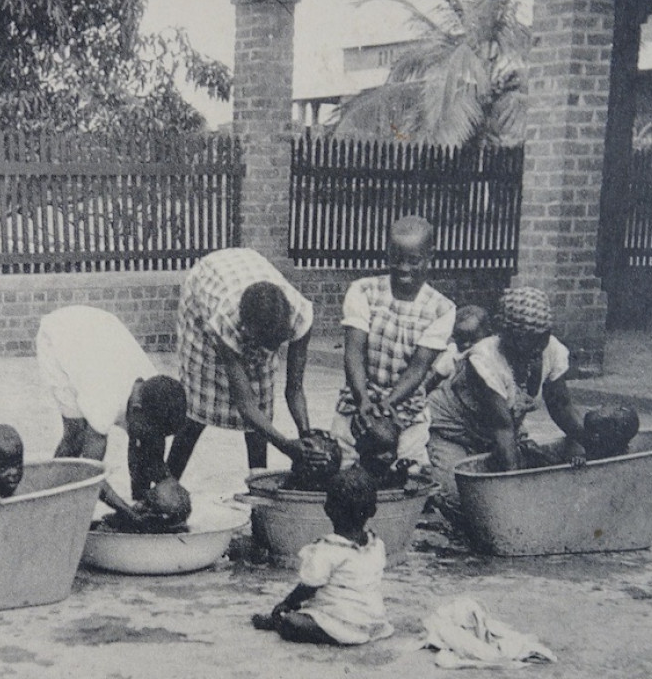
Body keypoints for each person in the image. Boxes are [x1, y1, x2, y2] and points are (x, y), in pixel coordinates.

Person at [423, 286, 587, 520]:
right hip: (452, 434)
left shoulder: (551, 349)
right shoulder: (484, 359)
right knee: (463, 501)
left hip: (501, 436)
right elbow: (502, 427)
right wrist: (515, 495)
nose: (537, 347)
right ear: (506, 335)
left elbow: (562, 408)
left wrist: (596, 446)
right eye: (526, 340)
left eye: (542, 337)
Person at [167, 247, 329, 478]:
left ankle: (257, 485)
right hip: (205, 286)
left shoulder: (299, 316)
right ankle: (167, 486)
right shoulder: (226, 320)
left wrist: (306, 436)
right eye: (263, 342)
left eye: (276, 341)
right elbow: (245, 404)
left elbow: (294, 388)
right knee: (195, 408)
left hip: (243, 274)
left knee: (262, 401)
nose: (269, 351)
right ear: (246, 329)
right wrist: (285, 445)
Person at [34, 305, 189, 526]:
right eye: (151, 432)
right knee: (75, 436)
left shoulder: (154, 391)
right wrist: (126, 511)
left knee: (145, 440)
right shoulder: (104, 403)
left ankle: (137, 498)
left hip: (99, 330)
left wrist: (163, 491)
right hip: (60, 334)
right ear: (135, 409)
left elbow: (148, 453)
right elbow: (89, 473)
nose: (153, 439)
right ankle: (45, 504)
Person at [331, 216, 457, 475]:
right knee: (342, 469)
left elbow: (418, 368)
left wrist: (388, 405)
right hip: (358, 398)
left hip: (407, 405)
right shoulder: (363, 291)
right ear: (388, 253)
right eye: (397, 259)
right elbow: (354, 352)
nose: (404, 268)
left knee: (408, 475)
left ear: (430, 256)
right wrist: (363, 400)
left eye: (414, 260)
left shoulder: (442, 309)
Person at [251, 466, 394, 646]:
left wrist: (286, 604)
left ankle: (288, 624)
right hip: (373, 619)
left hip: (343, 621)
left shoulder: (327, 550)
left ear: (327, 508)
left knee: (291, 622)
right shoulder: (376, 545)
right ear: (373, 511)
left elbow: (308, 587)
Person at [394, 303, 494, 480]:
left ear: (489, 334)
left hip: (480, 429)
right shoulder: (453, 355)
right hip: (449, 426)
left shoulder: (493, 358)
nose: (467, 345)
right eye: (460, 339)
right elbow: (431, 381)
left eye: (473, 339)